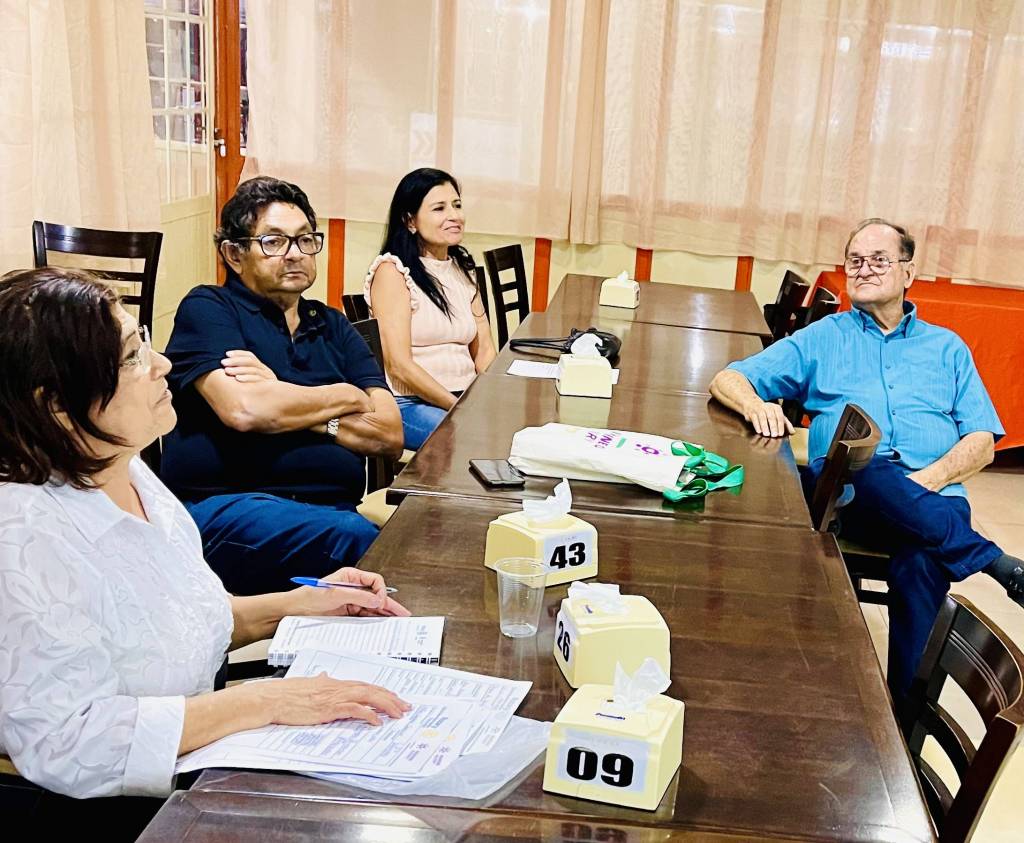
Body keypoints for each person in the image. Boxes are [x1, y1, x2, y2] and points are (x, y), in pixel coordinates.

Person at [0, 268, 410, 831]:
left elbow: (190, 620)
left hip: (197, 770)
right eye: (131, 357)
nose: (162, 365)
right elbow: (69, 742)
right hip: (115, 814)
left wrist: (304, 604)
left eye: (144, 342)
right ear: (57, 407)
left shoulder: (130, 474)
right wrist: (266, 702)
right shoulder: (24, 535)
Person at [709, 218, 1024, 701]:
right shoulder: (823, 337)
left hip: (935, 497)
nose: (864, 269)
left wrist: (925, 482)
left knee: (921, 563)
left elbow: (982, 440)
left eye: (879, 260)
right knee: (864, 461)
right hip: (850, 493)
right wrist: (755, 404)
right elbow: (728, 378)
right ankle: (995, 562)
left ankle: (900, 716)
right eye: (855, 261)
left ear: (908, 272)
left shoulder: (947, 347)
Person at [160, 177, 403, 595]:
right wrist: (345, 396)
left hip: (330, 511)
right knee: (370, 548)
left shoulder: (332, 325)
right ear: (234, 254)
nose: (294, 253)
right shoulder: (209, 308)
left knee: (414, 537)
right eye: (274, 242)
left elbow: (389, 434)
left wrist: (282, 398)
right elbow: (245, 411)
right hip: (228, 509)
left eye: (305, 240)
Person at [364, 168, 495, 449]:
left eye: (457, 205)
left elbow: (484, 349)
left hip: (462, 396)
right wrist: (458, 407)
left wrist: (488, 396)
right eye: (439, 208)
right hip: (409, 403)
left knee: (513, 429)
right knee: (473, 440)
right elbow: (399, 365)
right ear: (410, 220)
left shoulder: (462, 268)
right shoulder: (392, 272)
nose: (454, 216)